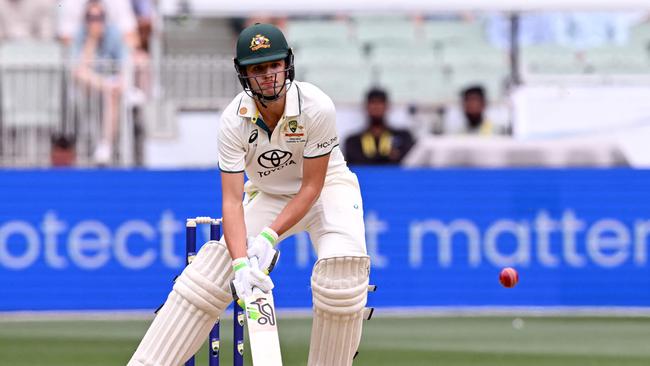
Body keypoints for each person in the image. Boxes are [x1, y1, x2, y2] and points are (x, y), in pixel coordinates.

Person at [128, 23, 370, 366]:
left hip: (328, 188)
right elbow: (231, 201)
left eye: (275, 65)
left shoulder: (317, 106)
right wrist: (241, 263)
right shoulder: (233, 120)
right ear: (244, 75)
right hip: (269, 194)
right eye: (259, 68)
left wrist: (269, 238)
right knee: (209, 274)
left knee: (341, 275)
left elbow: (312, 188)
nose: (269, 75)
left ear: (288, 64)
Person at [71, 0, 129, 165]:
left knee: (111, 93)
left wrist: (119, 81)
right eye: (91, 17)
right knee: (81, 73)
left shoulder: (114, 33)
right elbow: (78, 68)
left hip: (111, 89)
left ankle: (106, 145)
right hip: (87, 88)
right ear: (85, 19)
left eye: (99, 17)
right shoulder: (80, 34)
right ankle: (107, 86)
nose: (95, 21)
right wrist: (92, 39)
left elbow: (124, 63)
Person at [344, 88, 415, 165]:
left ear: (387, 107)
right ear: (366, 107)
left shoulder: (403, 136)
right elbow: (356, 162)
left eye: (380, 103)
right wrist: (388, 157)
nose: (376, 107)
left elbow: (407, 161)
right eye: (373, 103)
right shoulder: (353, 140)